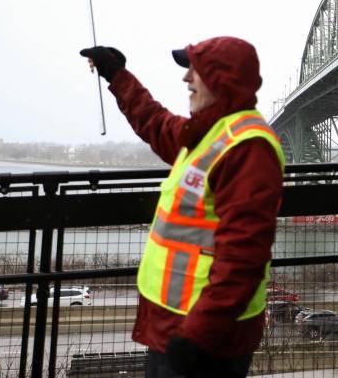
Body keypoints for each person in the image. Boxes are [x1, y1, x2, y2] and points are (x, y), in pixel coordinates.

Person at [80, 37, 284, 378]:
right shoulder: (211, 132)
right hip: (177, 324)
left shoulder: (247, 148)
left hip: (203, 336)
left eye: (195, 71)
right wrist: (117, 75)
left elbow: (243, 257)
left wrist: (199, 336)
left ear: (222, 81)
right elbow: (154, 122)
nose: (186, 78)